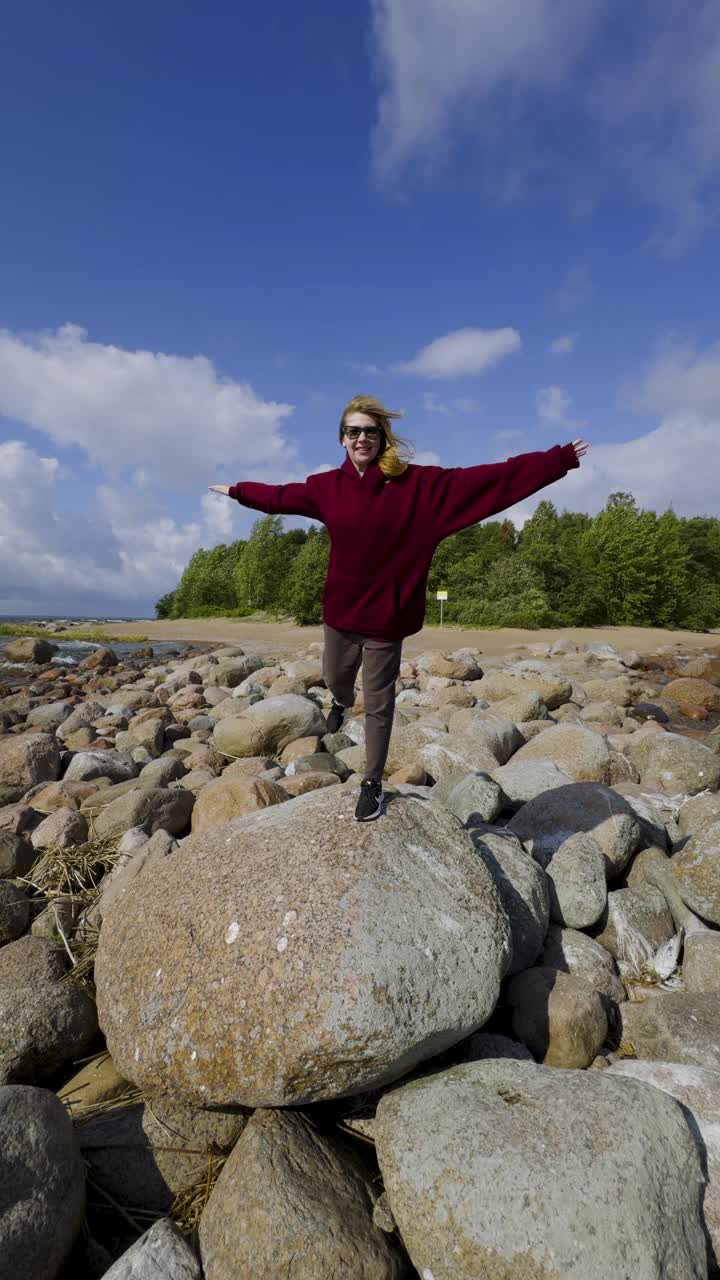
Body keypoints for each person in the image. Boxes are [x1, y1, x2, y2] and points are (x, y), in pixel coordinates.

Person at [209, 394, 588, 821]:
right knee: (335, 677)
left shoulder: (419, 487)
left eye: (370, 431)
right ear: (342, 439)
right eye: (353, 431)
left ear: (382, 437)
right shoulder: (325, 489)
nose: (361, 439)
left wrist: (555, 460)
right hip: (341, 611)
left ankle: (371, 782)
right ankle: (338, 701)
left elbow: (491, 480)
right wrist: (238, 492)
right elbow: (279, 496)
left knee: (378, 702)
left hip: (387, 617)